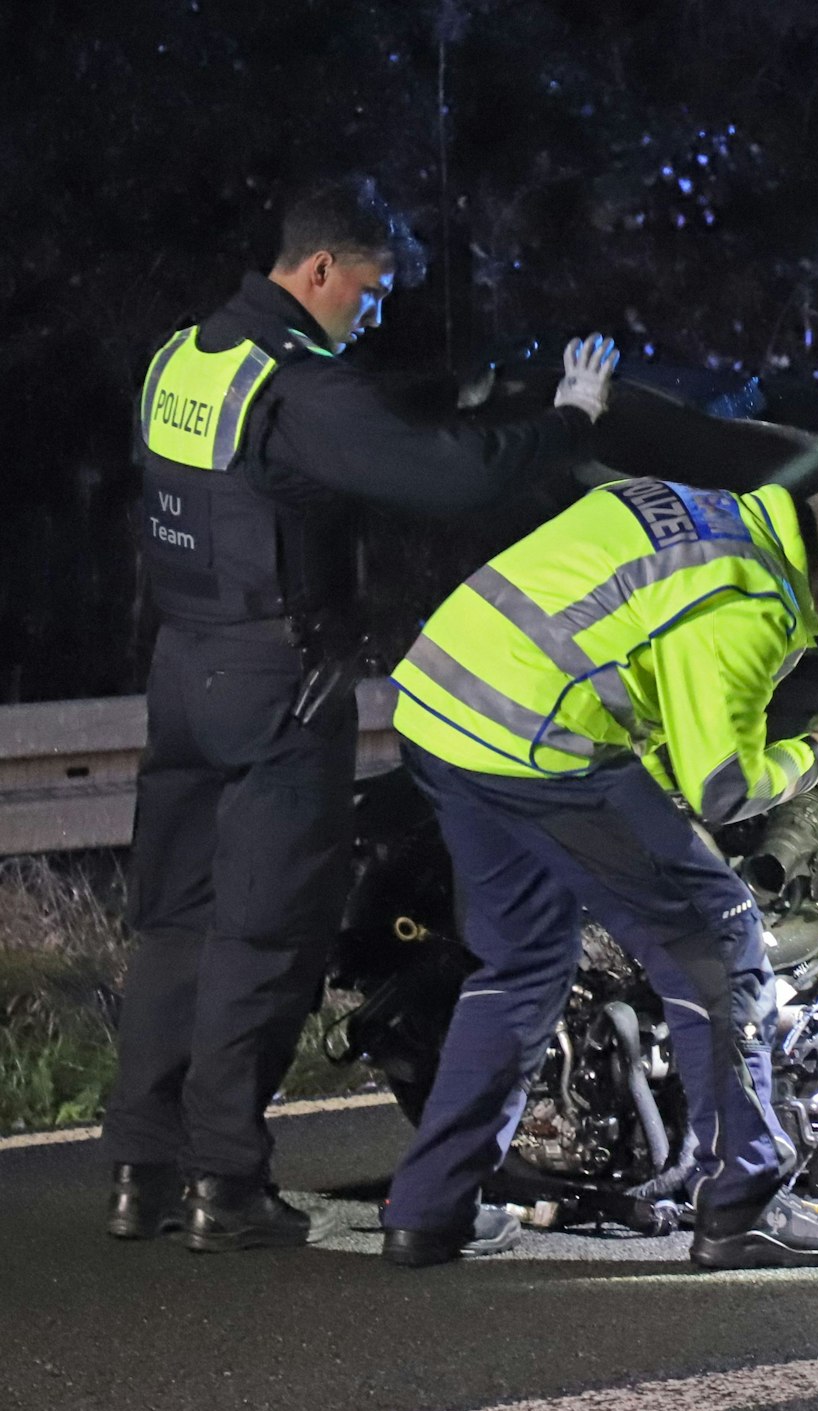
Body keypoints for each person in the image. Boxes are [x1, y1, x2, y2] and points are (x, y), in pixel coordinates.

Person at [103, 174, 621, 1252]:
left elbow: (337, 432)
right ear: (322, 270)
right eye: (372, 294)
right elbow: (450, 481)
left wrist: (458, 388)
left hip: (183, 671)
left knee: (175, 928)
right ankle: (227, 1189)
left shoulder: (186, 357)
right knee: (268, 931)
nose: (373, 314)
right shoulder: (300, 392)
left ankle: (141, 1174)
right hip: (277, 682)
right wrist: (564, 424)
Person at [377, 473, 818, 1267]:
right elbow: (724, 788)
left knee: (523, 962)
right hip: (537, 743)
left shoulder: (684, 503)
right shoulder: (749, 601)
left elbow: (629, 644)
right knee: (720, 941)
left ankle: (428, 1212)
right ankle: (743, 1204)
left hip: (440, 709)